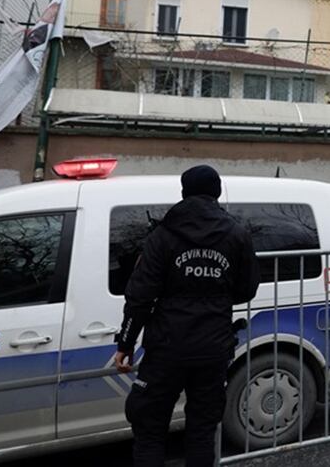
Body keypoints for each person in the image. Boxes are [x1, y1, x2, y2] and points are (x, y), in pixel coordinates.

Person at [114, 165, 260, 467]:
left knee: (150, 430)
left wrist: (126, 343)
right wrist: (215, 296)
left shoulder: (163, 235)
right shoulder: (237, 234)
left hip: (166, 348)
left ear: (184, 192)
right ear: (217, 192)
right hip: (213, 348)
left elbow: (140, 296)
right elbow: (247, 289)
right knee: (202, 432)